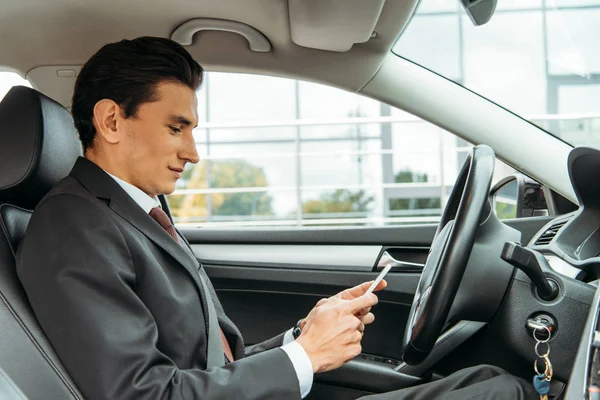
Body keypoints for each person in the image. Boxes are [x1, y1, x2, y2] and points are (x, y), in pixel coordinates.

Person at [16, 36, 537, 400]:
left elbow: (213, 364)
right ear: (111, 120)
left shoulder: (137, 211)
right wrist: (306, 359)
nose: (193, 152)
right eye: (177, 128)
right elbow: (140, 395)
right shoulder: (72, 227)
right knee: (502, 391)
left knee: (486, 382)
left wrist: (303, 336)